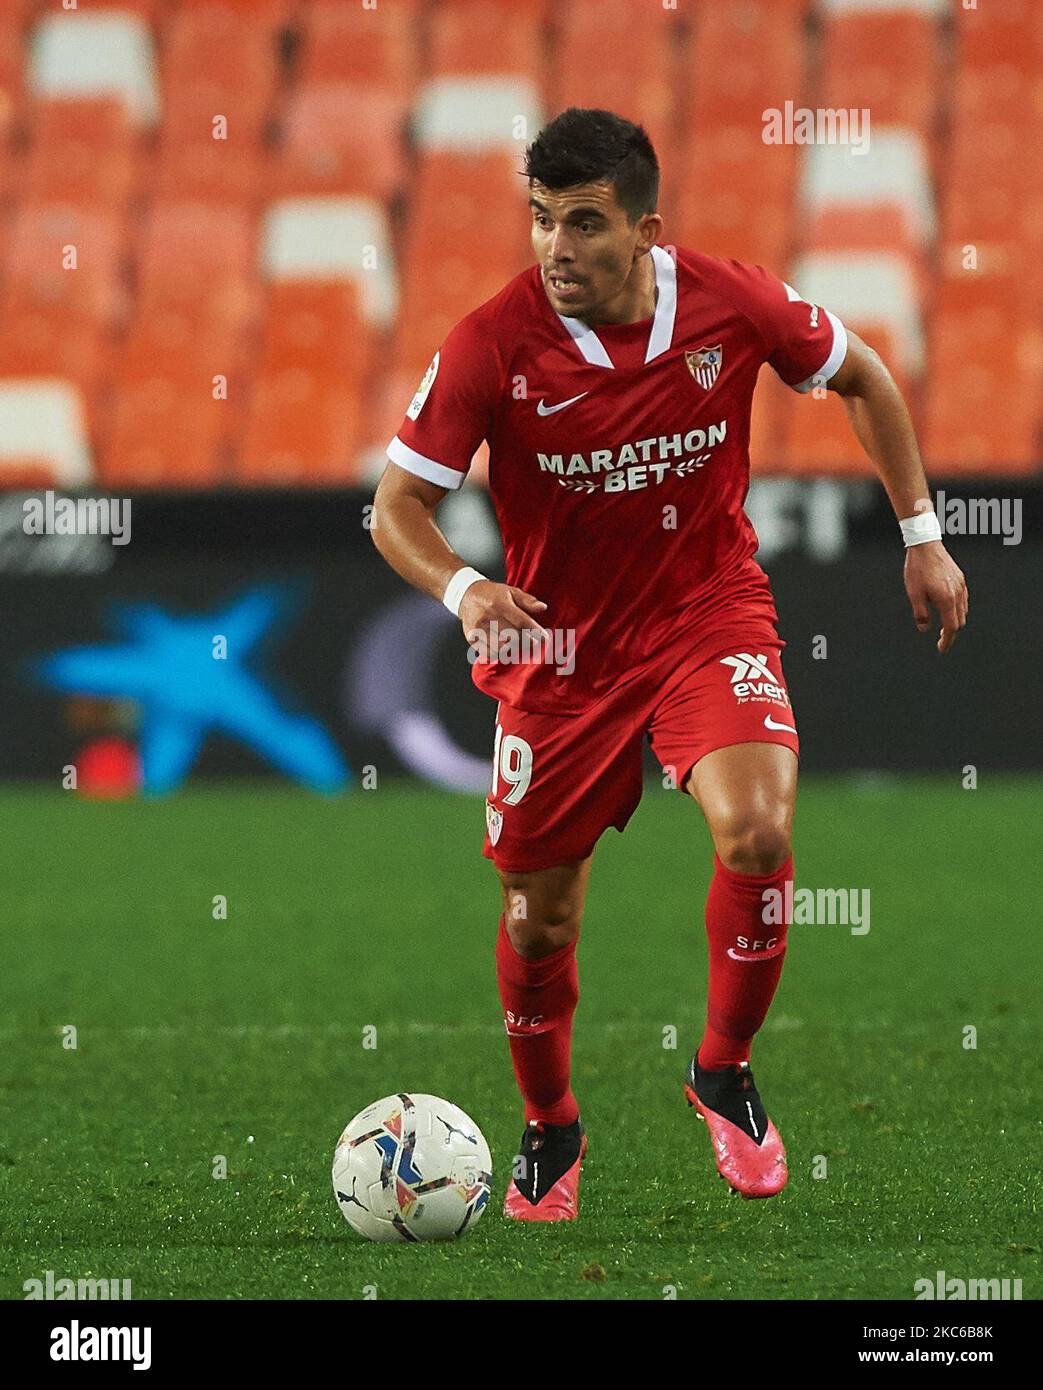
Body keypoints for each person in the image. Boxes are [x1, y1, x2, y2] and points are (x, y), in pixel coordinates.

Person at [371, 108, 968, 1221]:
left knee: (757, 830)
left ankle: (722, 1072)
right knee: (536, 922)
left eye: (584, 223)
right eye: (541, 220)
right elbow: (394, 506)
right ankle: (550, 1130)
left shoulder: (730, 302)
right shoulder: (491, 343)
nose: (556, 247)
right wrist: (465, 588)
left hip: (706, 612)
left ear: (645, 229)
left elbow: (865, 377)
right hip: (560, 650)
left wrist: (921, 534)